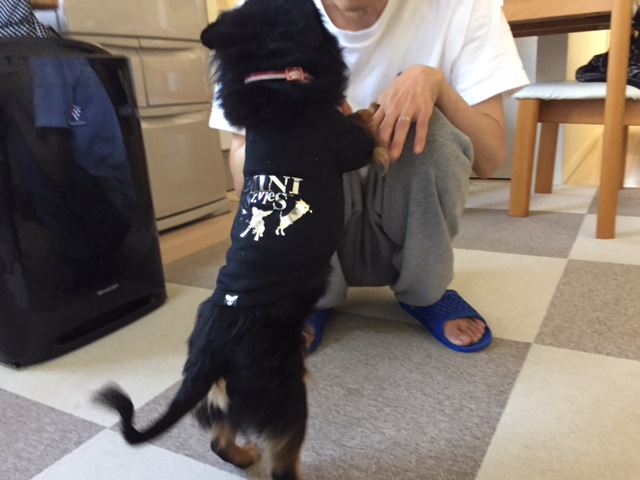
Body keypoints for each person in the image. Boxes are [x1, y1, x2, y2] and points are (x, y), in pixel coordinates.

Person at [208, 0, 529, 353]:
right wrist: (294, 120)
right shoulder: (260, 15)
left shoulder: (465, 7)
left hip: (407, 226)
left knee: (428, 125)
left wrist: (435, 84)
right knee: (299, 134)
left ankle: (425, 290)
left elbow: (489, 160)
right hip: (312, 234)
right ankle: (310, 295)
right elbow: (246, 180)